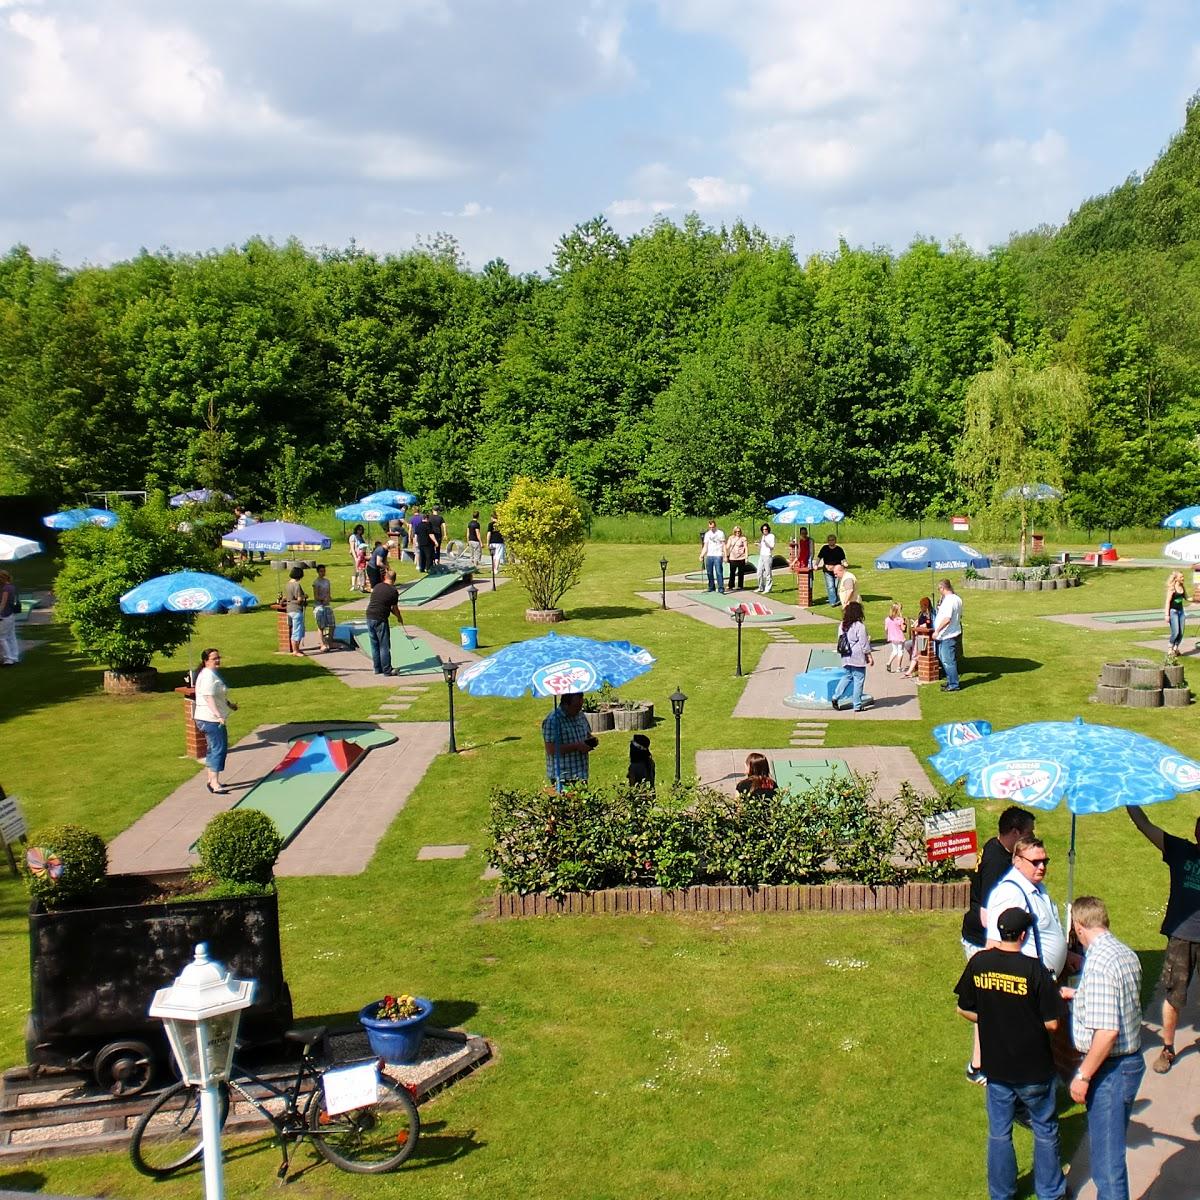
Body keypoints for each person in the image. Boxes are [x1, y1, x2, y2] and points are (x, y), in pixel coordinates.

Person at [955, 907, 1068, 1200]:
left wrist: (993, 1019)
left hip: (997, 1070)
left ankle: (1001, 1194)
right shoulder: (1034, 970)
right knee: (1045, 1131)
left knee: (999, 1134)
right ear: (1023, 934)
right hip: (1035, 1069)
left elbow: (963, 1008)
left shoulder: (979, 963)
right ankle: (1051, 1194)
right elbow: (1053, 1023)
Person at [1061, 896, 1144, 1200]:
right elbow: (1117, 997)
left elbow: (1107, 1033)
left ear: (1079, 927)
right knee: (1109, 1154)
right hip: (1130, 1063)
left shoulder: (1096, 964)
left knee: (1107, 1166)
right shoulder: (1123, 952)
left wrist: (1082, 1075)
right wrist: (1078, 994)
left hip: (1110, 1071)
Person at [961, 806, 1038, 1084]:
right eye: (1029, 832)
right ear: (1015, 832)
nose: (1033, 836)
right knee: (986, 1005)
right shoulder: (997, 862)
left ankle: (984, 1062)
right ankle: (978, 1066)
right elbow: (987, 915)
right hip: (982, 941)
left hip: (981, 938)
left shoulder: (997, 849)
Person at [1125, 805, 1200, 1074]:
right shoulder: (1180, 850)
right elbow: (1145, 825)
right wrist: (1129, 799)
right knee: (1173, 994)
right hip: (1181, 936)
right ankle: (1167, 1048)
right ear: (1196, 832)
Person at [984, 836, 1068, 979]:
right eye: (1035, 862)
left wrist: (1067, 955)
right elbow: (994, 945)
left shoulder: (1038, 887)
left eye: (1044, 861)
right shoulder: (1010, 893)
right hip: (1028, 985)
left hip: (1044, 982)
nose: (1042, 867)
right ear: (1017, 861)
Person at [193, 648, 238, 794]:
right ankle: (214, 783)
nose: (218, 660)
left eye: (218, 657)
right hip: (210, 720)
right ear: (206, 661)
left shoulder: (210, 674)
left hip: (207, 718)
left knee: (213, 749)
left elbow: (217, 694)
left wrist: (229, 704)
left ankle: (210, 779)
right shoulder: (207, 676)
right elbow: (208, 697)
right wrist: (218, 716)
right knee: (219, 749)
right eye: (214, 658)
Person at [542, 692, 596, 788]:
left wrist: (592, 741)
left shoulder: (580, 715)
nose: (578, 709)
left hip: (581, 773)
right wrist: (576, 746)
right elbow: (550, 749)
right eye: (576, 706)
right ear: (565, 705)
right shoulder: (553, 720)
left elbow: (587, 734)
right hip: (563, 777)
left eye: (581, 705)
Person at [831, 600, 873, 712]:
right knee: (859, 680)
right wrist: (869, 656)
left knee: (847, 677)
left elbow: (840, 638)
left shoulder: (842, 625)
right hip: (857, 656)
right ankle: (857, 705)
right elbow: (864, 643)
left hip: (846, 655)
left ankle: (835, 696)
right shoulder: (860, 626)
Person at [364, 568, 406, 676]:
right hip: (380, 619)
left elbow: (383, 604)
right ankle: (387, 670)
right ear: (394, 579)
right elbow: (394, 608)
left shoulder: (377, 586)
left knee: (374, 644)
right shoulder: (393, 591)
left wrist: (394, 614)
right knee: (384, 645)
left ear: (385, 577)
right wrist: (399, 618)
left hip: (369, 616)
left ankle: (377, 668)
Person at [933, 578, 963, 692]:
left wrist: (937, 631)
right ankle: (951, 681)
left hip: (947, 635)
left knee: (948, 660)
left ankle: (954, 684)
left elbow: (947, 619)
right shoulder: (957, 598)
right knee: (944, 658)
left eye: (939, 589)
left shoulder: (950, 601)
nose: (939, 591)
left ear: (943, 588)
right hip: (951, 632)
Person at [905, 596, 935, 677]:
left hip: (922, 636)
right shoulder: (921, 613)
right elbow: (918, 621)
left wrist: (920, 626)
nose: (921, 607)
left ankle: (910, 671)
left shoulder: (929, 614)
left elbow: (928, 624)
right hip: (917, 635)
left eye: (922, 606)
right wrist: (915, 624)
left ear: (926, 605)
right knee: (908, 645)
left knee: (917, 653)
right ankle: (914, 665)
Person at [815, 533, 846, 607]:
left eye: (832, 540)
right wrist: (816, 565)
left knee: (835, 586)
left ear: (835, 540)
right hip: (827, 571)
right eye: (829, 540)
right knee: (830, 586)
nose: (831, 541)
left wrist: (845, 563)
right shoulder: (824, 548)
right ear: (827, 541)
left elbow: (843, 559)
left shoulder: (839, 549)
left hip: (837, 571)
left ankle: (835, 599)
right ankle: (833, 602)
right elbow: (819, 557)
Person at [284, 567, 307, 658]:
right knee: (297, 631)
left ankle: (296, 649)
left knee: (294, 629)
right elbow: (299, 599)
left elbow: (288, 597)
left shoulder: (288, 584)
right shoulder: (297, 585)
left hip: (289, 610)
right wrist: (304, 596)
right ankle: (295, 651)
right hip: (296, 610)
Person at [311, 564, 335, 653]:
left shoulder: (327, 581)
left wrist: (329, 598)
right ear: (318, 572)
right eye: (321, 571)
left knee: (332, 624)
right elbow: (316, 596)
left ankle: (330, 642)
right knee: (321, 626)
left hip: (327, 605)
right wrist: (322, 599)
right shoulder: (316, 583)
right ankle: (322, 644)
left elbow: (329, 592)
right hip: (319, 606)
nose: (323, 573)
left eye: (324, 571)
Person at [700, 519, 726, 594]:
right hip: (709, 555)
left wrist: (725, 555)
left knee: (718, 572)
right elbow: (705, 546)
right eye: (710, 527)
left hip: (718, 554)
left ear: (715, 526)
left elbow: (724, 545)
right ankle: (711, 587)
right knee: (709, 572)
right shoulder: (707, 534)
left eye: (713, 527)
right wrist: (702, 555)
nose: (712, 529)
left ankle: (721, 588)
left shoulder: (720, 533)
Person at [883, 601, 910, 672]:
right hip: (899, 637)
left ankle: (889, 662)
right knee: (900, 651)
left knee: (894, 651)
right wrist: (904, 623)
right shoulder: (899, 619)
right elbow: (903, 629)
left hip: (892, 637)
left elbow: (886, 629)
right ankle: (898, 667)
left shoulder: (887, 619)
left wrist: (887, 634)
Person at [0, 569, 19, 667]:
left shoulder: (5, 589)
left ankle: (8, 658)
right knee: (11, 636)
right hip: (11, 614)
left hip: (4, 615)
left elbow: (3, 603)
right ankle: (14, 657)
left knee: (1, 638)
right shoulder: (12, 587)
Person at [1164, 570, 1187, 653]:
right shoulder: (1172, 589)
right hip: (1173, 612)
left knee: (1181, 633)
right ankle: (1170, 647)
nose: (1183, 578)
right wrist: (1167, 615)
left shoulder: (1182, 587)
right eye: (1181, 577)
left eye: (1183, 576)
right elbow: (1167, 602)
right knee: (1176, 632)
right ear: (1176, 579)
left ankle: (1176, 648)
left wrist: (1197, 599)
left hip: (1181, 612)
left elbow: (1187, 598)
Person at [725, 525, 749, 591]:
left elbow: (746, 548)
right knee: (732, 572)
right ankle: (731, 585)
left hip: (741, 557)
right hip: (733, 558)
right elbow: (727, 547)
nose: (737, 532)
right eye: (736, 531)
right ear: (734, 531)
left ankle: (740, 586)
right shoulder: (731, 538)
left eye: (739, 531)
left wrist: (746, 557)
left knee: (741, 572)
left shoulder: (743, 538)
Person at [755, 523, 776, 594]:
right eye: (763, 530)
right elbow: (763, 546)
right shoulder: (763, 536)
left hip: (768, 556)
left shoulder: (771, 536)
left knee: (768, 573)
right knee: (759, 572)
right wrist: (759, 545)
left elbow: (772, 547)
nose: (765, 531)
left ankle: (768, 588)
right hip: (762, 555)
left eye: (766, 529)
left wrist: (766, 542)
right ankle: (760, 587)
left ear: (768, 529)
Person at [349, 525, 368, 592]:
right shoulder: (353, 537)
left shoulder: (361, 537)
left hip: (361, 555)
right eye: (359, 529)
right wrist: (355, 557)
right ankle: (353, 585)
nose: (360, 531)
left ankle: (359, 584)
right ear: (356, 529)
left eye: (361, 530)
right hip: (356, 555)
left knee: (361, 570)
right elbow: (352, 547)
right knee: (355, 569)